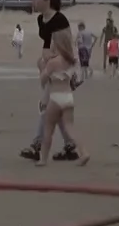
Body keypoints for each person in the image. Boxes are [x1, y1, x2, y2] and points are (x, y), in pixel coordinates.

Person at [18, 0, 77, 162]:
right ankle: (70, 146)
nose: (33, 2)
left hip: (61, 68)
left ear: (47, 0)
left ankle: (37, 146)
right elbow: (46, 45)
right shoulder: (41, 20)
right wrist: (43, 62)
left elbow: (64, 47)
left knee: (47, 107)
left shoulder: (59, 19)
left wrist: (51, 64)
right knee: (55, 109)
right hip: (50, 66)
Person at [36, 31, 88, 165]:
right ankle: (84, 152)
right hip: (68, 97)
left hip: (55, 98)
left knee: (48, 128)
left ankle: (43, 159)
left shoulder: (53, 62)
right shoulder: (71, 61)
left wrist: (42, 67)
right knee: (70, 128)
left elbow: (43, 80)